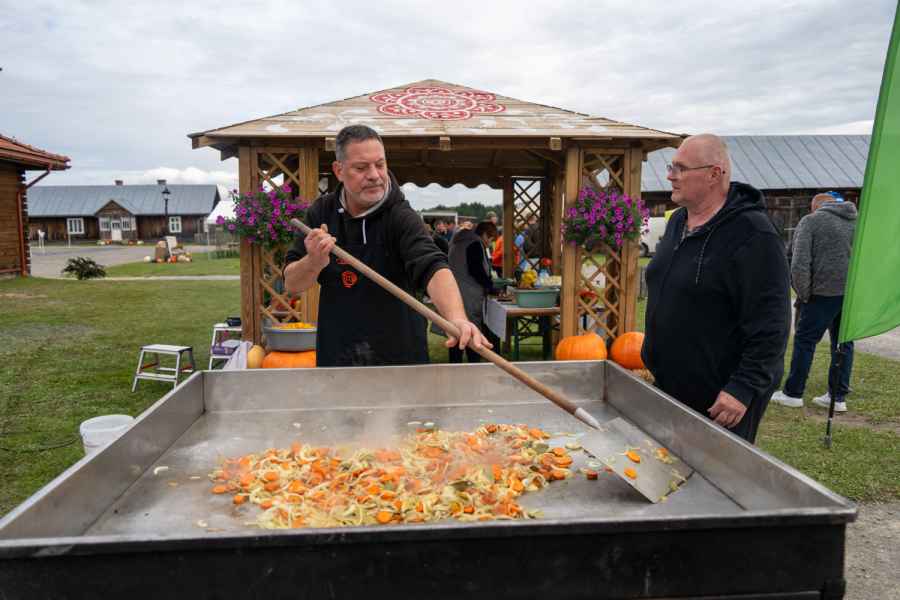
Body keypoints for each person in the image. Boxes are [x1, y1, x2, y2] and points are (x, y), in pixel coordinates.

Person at [283, 124, 490, 367]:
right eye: (361, 168)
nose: (374, 175)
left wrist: (456, 318)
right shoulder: (321, 213)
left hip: (400, 356)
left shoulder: (400, 215)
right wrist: (313, 262)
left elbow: (432, 266)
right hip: (339, 354)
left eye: (380, 165)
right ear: (339, 170)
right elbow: (292, 284)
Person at [642, 134, 791, 443]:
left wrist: (743, 387)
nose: (670, 176)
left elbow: (772, 323)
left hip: (721, 399)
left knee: (710, 472)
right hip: (671, 385)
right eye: (671, 167)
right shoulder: (678, 222)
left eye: (681, 168)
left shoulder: (754, 234)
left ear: (714, 174)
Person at [771, 192, 857, 412]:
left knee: (805, 341)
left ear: (815, 207)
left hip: (821, 292)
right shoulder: (855, 221)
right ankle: (838, 397)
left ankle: (793, 393)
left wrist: (804, 293)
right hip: (850, 293)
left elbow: (799, 261)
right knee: (843, 343)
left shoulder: (811, 221)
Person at [447, 221, 498, 363]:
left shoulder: (458, 241)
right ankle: (473, 364)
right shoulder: (474, 244)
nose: (489, 243)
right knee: (471, 331)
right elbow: (476, 271)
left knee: (456, 331)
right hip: (468, 293)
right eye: (490, 239)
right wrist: (491, 286)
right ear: (485, 235)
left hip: (455, 289)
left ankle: (455, 365)